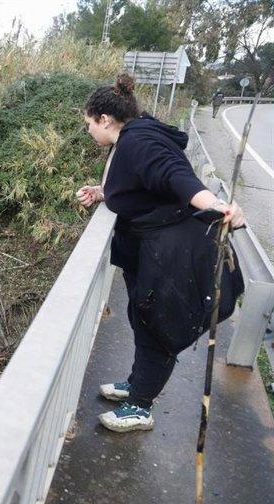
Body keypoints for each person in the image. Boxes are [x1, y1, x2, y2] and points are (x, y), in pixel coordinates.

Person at [76, 73, 246, 433]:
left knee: (156, 325)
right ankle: (137, 385)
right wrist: (104, 192)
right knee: (140, 317)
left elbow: (176, 177)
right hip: (150, 249)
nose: (88, 130)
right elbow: (143, 183)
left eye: (89, 123)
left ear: (104, 119)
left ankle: (141, 406)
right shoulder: (132, 134)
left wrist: (218, 206)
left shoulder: (139, 142)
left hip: (169, 254)